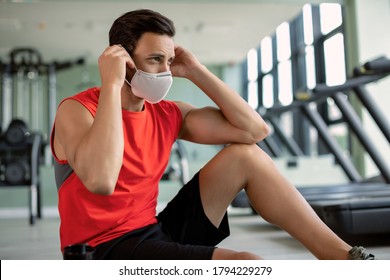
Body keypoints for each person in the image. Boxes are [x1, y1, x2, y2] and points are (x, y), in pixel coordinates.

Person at [51, 9, 375, 260]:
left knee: (244, 156)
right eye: (154, 59)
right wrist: (110, 83)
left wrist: (195, 70)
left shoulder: (168, 114)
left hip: (153, 230)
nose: (165, 70)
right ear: (122, 59)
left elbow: (254, 130)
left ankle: (341, 257)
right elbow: (101, 180)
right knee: (247, 264)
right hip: (103, 251)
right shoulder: (77, 110)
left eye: (168, 60)